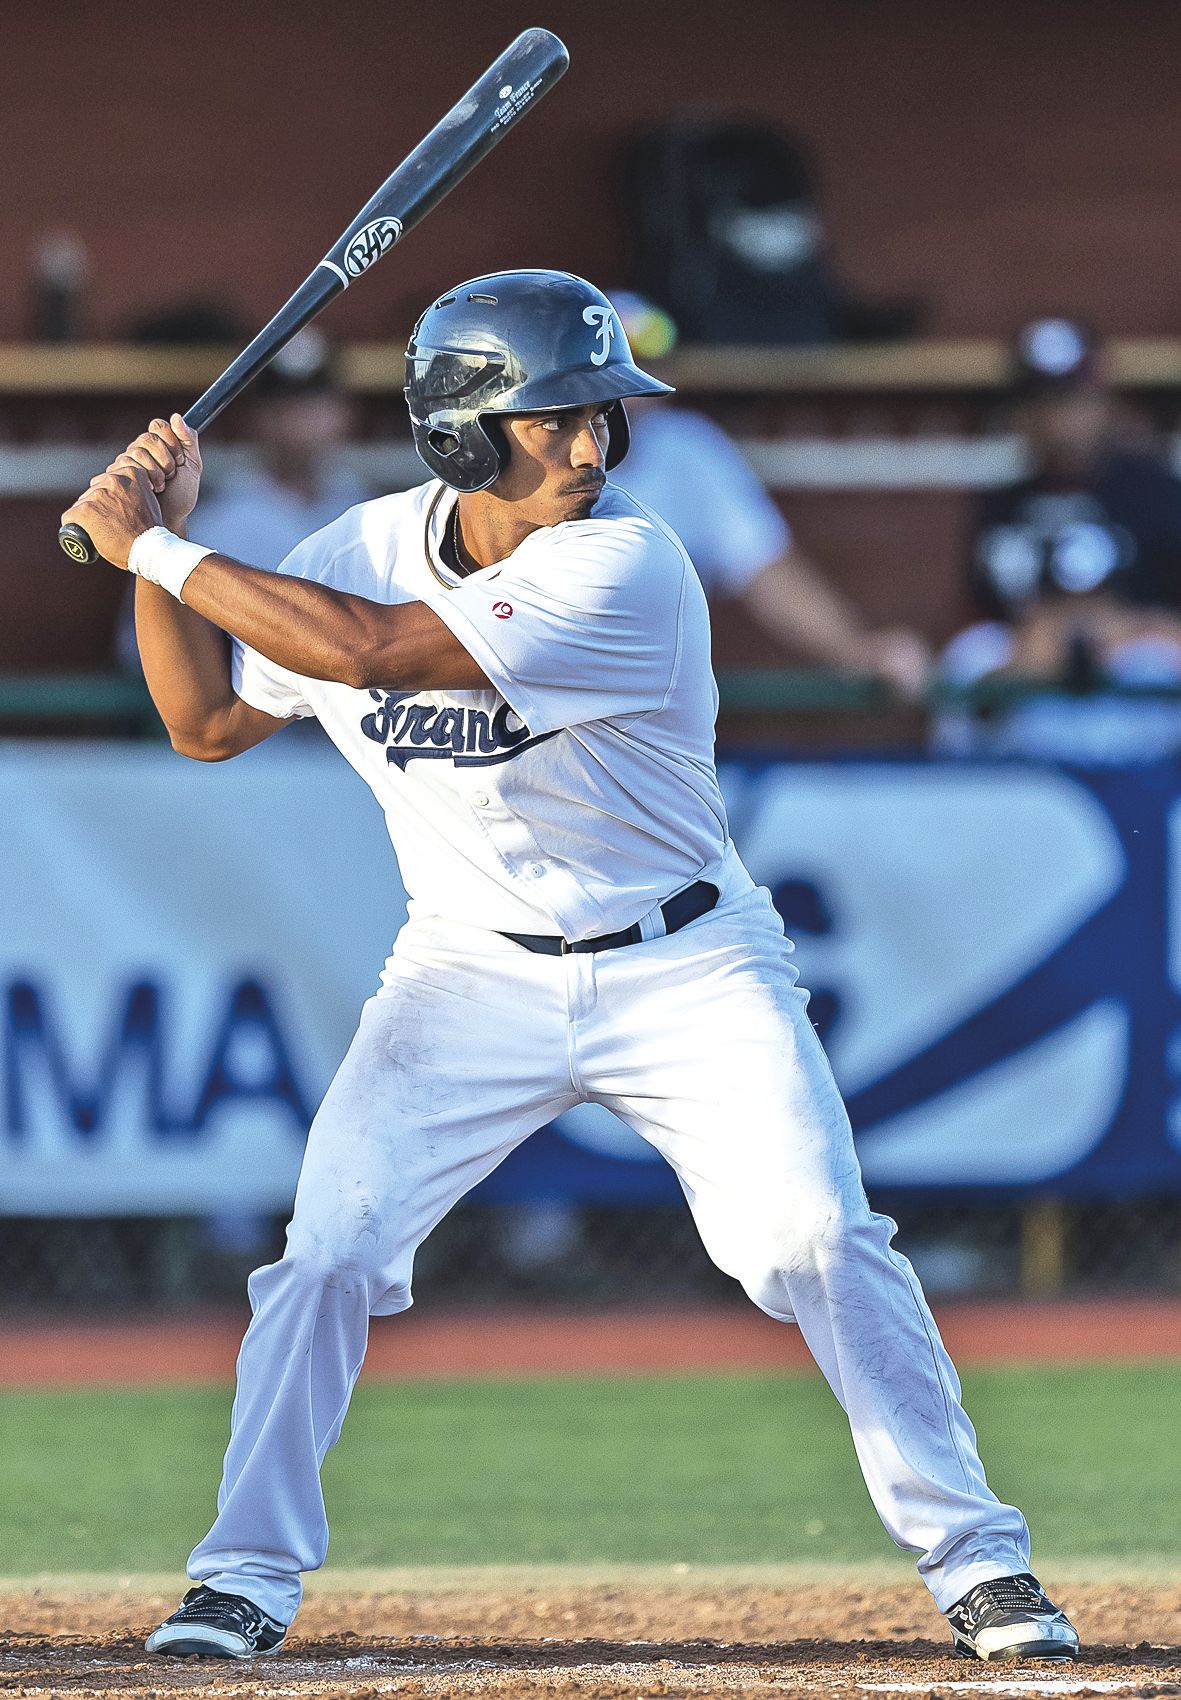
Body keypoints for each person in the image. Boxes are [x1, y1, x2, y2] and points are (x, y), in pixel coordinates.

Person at [63, 270, 1078, 1666]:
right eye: (552, 421)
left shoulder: (626, 562)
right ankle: (241, 1574)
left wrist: (155, 558)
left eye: (602, 416)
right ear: (457, 434)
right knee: (326, 1256)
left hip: (687, 963)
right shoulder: (350, 550)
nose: (590, 448)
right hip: (464, 976)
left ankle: (978, 1560)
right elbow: (204, 723)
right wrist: (159, 553)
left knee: (819, 1241)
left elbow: (371, 652)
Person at [607, 294, 929, 696]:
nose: (634, 385)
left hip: (650, 702)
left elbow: (766, 571)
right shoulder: (535, 453)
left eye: (646, 366)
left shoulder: (687, 448)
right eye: (616, 369)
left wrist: (858, 652)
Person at [935, 316, 1181, 760]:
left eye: (1070, 401)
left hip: (1129, 687)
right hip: (1036, 688)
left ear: (1103, 399)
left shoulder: (1159, 494)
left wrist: (1124, 629)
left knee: (1152, 669)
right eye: (1041, 403)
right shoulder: (1001, 505)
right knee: (968, 660)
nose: (1057, 421)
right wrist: (1038, 641)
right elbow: (975, 628)